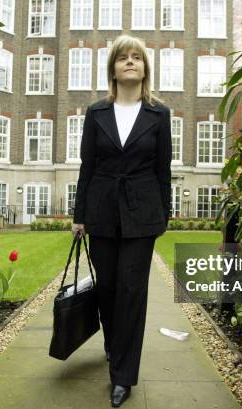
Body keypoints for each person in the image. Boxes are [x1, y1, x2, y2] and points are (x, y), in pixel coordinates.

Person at [71, 34, 172, 408]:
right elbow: (87, 166)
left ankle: (124, 376)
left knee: (133, 292)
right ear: (112, 68)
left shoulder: (159, 114)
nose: (130, 62)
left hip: (142, 213)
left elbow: (163, 169)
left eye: (137, 58)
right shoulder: (96, 112)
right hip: (100, 211)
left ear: (145, 68)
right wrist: (80, 215)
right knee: (109, 289)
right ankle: (114, 345)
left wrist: (162, 215)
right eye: (122, 58)